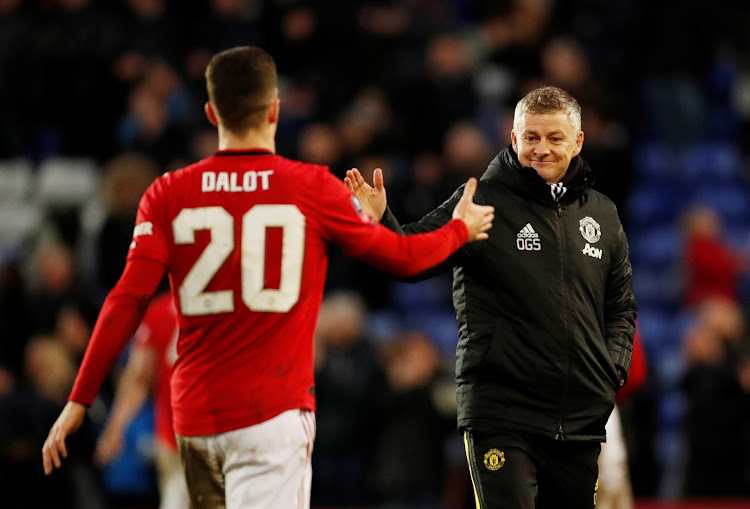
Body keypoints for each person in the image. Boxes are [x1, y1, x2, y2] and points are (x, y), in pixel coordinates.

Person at [41, 46, 495, 509]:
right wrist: (461, 229)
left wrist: (80, 398)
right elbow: (405, 260)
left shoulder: (166, 193)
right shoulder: (313, 187)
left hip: (197, 418)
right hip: (272, 414)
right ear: (275, 109)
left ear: (211, 113)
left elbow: (126, 300)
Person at [346, 85, 637, 509]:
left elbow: (621, 308)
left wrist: (608, 374)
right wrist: (378, 225)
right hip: (502, 414)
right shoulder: (481, 199)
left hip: (579, 418)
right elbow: (411, 256)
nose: (541, 149)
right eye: (531, 137)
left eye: (555, 138)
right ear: (514, 138)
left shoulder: (603, 214)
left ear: (577, 142)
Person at [93, 291, 188, 509]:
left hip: (176, 438)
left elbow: (138, 378)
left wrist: (114, 429)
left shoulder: (160, 311)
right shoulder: (233, 303)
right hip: (217, 435)